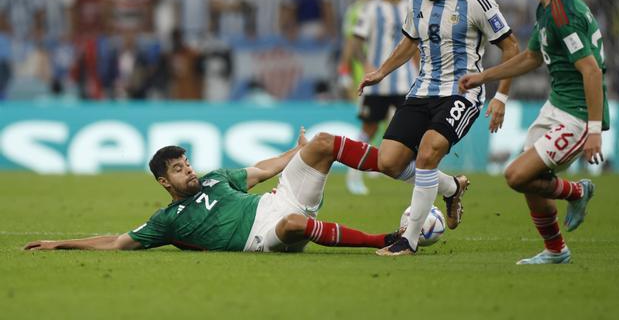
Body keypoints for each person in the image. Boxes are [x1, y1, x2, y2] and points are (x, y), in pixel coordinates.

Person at [358, 0, 520, 255]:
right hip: (422, 91)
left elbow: (511, 47)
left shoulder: (478, 2)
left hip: (462, 93)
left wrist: (501, 96)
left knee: (428, 154)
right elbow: (410, 41)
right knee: (388, 162)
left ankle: (409, 240)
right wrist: (381, 72)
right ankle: (452, 187)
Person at [459, 0, 607, 265]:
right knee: (530, 180)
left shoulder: (562, 12)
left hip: (577, 116)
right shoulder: (549, 7)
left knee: (516, 175)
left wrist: (594, 130)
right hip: (556, 106)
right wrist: (485, 78)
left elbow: (592, 71)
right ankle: (556, 251)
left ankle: (578, 192)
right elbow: (531, 58)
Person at [24, 129, 402, 253]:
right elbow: (116, 242)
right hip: (263, 234)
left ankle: (396, 166)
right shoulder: (168, 220)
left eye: (186, 163)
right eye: (178, 169)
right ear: (164, 183)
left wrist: (299, 149)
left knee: (322, 143)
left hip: (280, 199)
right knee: (292, 225)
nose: (187, 170)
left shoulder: (217, 177)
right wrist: (61, 244)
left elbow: (267, 170)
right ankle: (384, 240)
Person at [342, 0, 416, 195]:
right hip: (377, 83)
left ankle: (415, 178)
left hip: (406, 81)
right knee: (369, 128)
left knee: (413, 130)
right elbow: (355, 43)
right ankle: (353, 176)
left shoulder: (412, 7)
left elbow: (419, 45)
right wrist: (365, 65)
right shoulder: (371, 8)